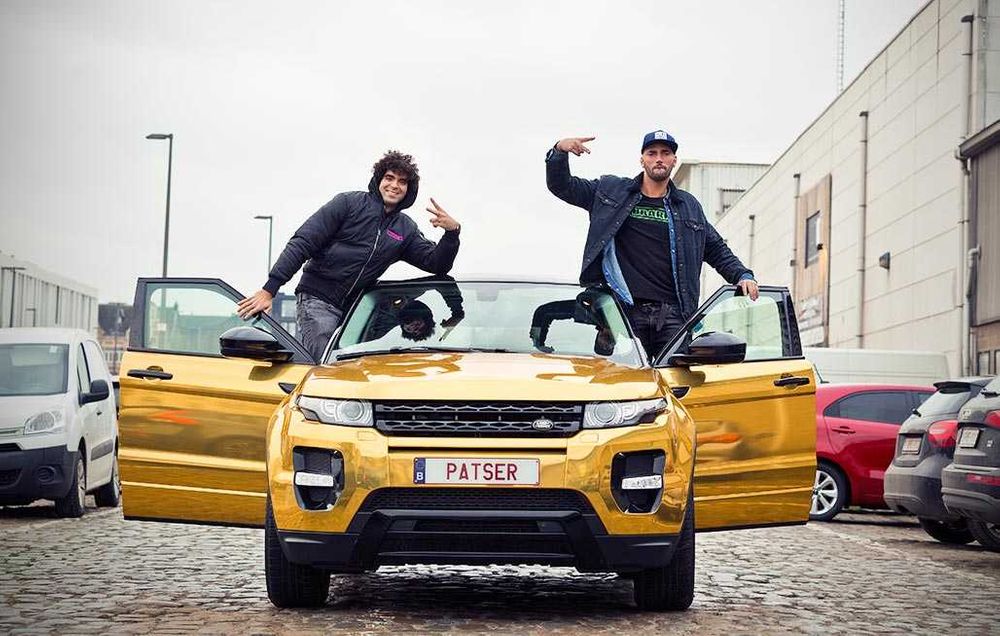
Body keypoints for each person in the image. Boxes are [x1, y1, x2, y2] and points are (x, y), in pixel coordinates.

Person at [545, 130, 759, 361]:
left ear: (673, 161)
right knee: (621, 376)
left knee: (674, 376)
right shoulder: (611, 191)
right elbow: (562, 186)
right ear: (642, 159)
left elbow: (716, 249)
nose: (659, 158)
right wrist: (559, 151)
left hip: (673, 316)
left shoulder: (688, 206)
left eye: (665, 153)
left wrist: (742, 275)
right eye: (652, 153)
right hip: (622, 312)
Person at [236, 150, 462, 360]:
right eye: (389, 178)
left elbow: (436, 264)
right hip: (318, 300)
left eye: (402, 182)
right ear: (379, 180)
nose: (394, 185)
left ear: (409, 190)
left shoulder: (405, 229)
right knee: (325, 366)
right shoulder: (348, 204)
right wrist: (270, 289)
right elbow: (303, 242)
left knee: (349, 368)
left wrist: (452, 233)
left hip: (355, 309)